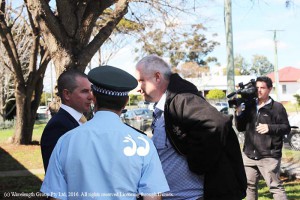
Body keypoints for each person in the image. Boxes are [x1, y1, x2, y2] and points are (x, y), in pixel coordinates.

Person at [40, 65, 169, 200]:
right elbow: (152, 196)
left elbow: (56, 196)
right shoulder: (143, 144)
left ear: (94, 98)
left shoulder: (66, 141)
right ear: (125, 102)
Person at [135, 55, 247, 200]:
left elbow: (216, 123)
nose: (138, 88)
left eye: (141, 80)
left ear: (157, 77)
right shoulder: (168, 105)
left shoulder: (182, 99)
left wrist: (197, 164)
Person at [234, 76, 290, 200]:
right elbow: (241, 128)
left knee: (275, 187)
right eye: (257, 88)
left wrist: (270, 128)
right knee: (249, 187)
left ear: (270, 89)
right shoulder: (249, 106)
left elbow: (286, 128)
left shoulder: (277, 107)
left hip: (269, 155)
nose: (259, 90)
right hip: (248, 155)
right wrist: (238, 114)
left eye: (262, 88)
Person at [41, 69, 93, 172]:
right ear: (67, 94)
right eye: (84, 91)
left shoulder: (81, 120)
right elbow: (56, 172)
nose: (90, 96)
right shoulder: (58, 126)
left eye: (90, 91)